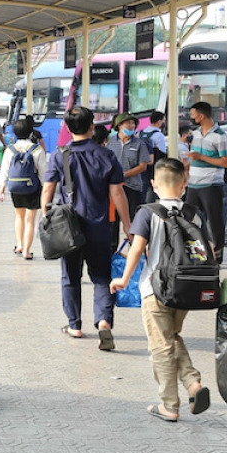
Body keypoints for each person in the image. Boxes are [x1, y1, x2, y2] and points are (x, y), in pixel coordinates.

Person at [109, 158, 212, 422]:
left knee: (161, 346)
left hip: (155, 289)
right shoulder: (194, 213)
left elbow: (136, 248)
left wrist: (123, 279)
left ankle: (169, 405)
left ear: (154, 184)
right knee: (172, 336)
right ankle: (193, 383)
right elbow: (208, 248)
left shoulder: (147, 212)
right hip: (186, 289)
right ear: (184, 183)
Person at [41, 106, 131, 350]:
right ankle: (103, 321)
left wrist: (45, 216)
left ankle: (75, 325)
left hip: (68, 227)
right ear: (92, 126)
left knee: (70, 276)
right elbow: (117, 192)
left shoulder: (60, 155)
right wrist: (128, 225)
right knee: (102, 276)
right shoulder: (106, 155)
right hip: (100, 225)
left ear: (68, 129)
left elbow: (48, 189)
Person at [185, 102, 227, 264]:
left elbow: (226, 162)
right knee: (189, 220)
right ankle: (193, 252)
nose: (191, 117)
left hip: (211, 184)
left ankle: (216, 256)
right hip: (193, 184)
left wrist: (201, 157)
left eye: (193, 114)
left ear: (201, 116)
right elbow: (195, 156)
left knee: (215, 222)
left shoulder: (220, 136)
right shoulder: (196, 133)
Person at [0, 118, 47, 260]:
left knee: (19, 216)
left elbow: (5, 170)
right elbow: (44, 172)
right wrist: (45, 190)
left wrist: (2, 189)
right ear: (31, 132)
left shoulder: (10, 149)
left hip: (15, 187)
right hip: (33, 187)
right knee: (30, 220)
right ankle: (27, 250)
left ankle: (19, 244)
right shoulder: (37, 149)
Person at [106, 112, 152, 225]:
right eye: (128, 123)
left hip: (133, 187)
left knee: (134, 221)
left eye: (133, 123)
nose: (132, 126)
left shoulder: (140, 144)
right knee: (113, 221)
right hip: (114, 187)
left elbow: (143, 166)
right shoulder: (110, 142)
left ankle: (134, 242)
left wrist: (124, 174)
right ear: (120, 125)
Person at [140, 111, 168, 202]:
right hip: (154, 167)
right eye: (164, 120)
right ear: (159, 122)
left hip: (141, 166)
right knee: (152, 189)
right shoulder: (159, 135)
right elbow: (162, 153)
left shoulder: (141, 132)